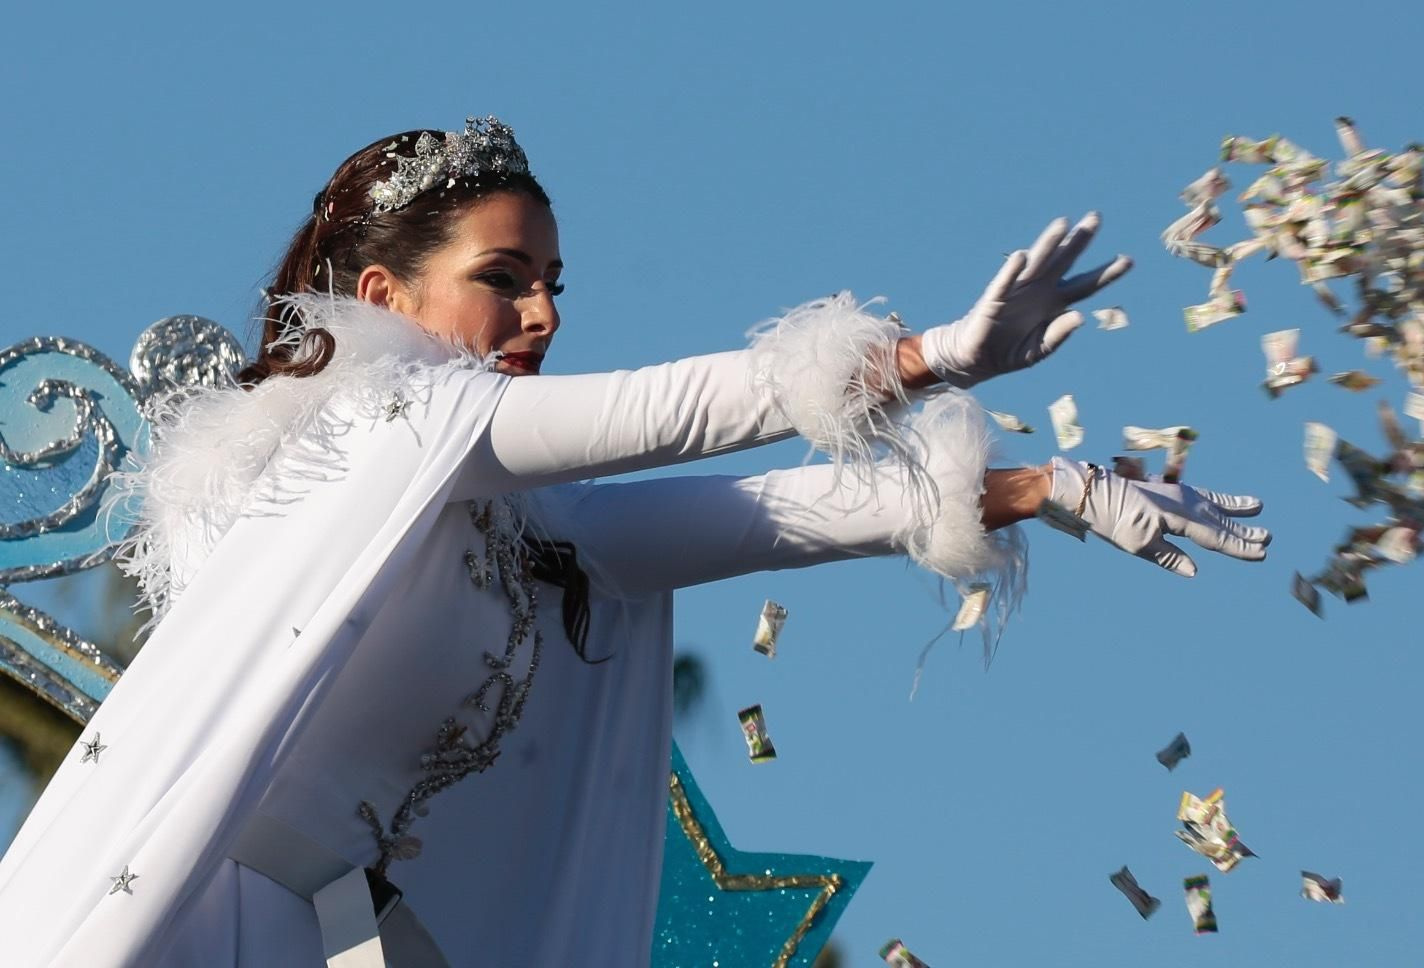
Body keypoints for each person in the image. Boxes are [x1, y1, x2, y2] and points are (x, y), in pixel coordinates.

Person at [0, 117, 1269, 967]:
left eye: (555, 280)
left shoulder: (520, 517)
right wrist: (927, 354)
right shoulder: (376, 420)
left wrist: (1051, 486)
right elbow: (665, 414)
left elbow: (770, 515)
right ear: (381, 298)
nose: (543, 311)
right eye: (505, 276)